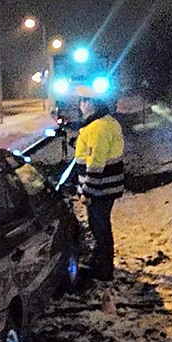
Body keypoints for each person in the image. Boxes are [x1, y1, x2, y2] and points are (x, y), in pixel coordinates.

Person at [74, 86, 125, 281]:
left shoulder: (98, 128)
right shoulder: (104, 123)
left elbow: (96, 164)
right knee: (100, 226)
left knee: (100, 228)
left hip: (100, 189)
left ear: (91, 104)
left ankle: (104, 269)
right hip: (105, 187)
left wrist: (87, 191)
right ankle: (101, 262)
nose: (80, 105)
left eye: (83, 101)